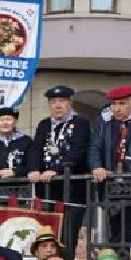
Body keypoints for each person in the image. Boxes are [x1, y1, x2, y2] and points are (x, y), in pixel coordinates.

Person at [28, 85, 90, 224]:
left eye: (61, 101)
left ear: (70, 103)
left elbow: (78, 150)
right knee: (46, 232)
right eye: (53, 102)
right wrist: (34, 169)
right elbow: (36, 148)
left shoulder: (80, 123)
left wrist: (56, 170)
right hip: (46, 189)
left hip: (71, 189)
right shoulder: (44, 124)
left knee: (67, 234)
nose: (57, 105)